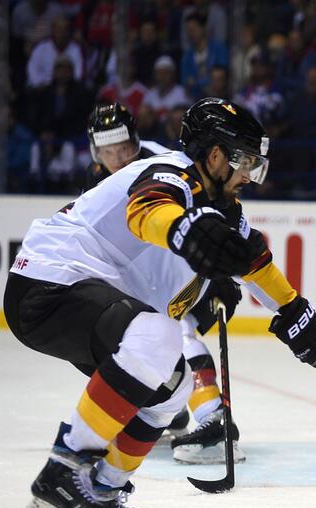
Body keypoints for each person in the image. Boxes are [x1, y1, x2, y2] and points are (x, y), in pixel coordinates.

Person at [5, 97, 316, 508]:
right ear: (216, 155)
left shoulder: (223, 206)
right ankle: (64, 472)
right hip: (48, 284)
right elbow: (147, 211)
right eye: (245, 162)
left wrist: (298, 316)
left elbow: (253, 262)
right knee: (160, 337)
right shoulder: (171, 169)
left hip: (83, 291)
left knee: (173, 388)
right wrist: (189, 233)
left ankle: (102, 488)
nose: (249, 176)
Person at [84, 101, 245, 465]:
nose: (118, 158)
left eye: (123, 148)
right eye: (108, 151)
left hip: (182, 264)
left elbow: (217, 211)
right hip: (146, 273)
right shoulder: (97, 180)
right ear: (97, 152)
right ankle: (169, 409)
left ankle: (215, 422)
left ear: (136, 141)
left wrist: (221, 270)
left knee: (179, 333)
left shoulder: (165, 162)